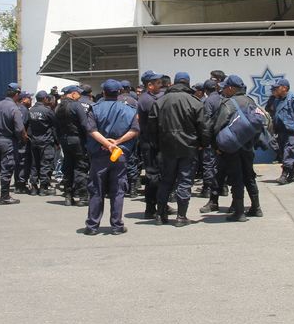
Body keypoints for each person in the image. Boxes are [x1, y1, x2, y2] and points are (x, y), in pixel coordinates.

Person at [149, 71, 211, 225]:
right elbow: (204, 127)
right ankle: (181, 216)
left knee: (166, 181)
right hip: (188, 147)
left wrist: (157, 145)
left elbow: (151, 128)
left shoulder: (160, 101)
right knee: (185, 181)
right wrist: (203, 144)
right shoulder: (195, 102)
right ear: (187, 83)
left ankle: (160, 215)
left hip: (167, 148)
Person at [83, 79, 139, 235]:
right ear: (119, 92)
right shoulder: (130, 110)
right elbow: (135, 130)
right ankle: (117, 226)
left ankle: (92, 226)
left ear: (103, 92)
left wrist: (106, 144)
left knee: (96, 190)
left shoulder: (95, 109)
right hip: (119, 154)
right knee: (118, 191)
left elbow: (91, 130)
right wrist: (116, 143)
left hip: (99, 155)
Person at [212, 75, 262, 221]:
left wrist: (217, 146)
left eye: (225, 88)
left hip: (232, 147)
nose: (223, 91)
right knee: (249, 176)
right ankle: (256, 207)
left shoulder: (228, 104)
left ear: (230, 88)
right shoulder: (251, 101)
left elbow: (217, 126)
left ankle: (239, 212)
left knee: (236, 178)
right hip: (248, 147)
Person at [0, 83, 26, 205]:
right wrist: (22, 138)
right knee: (7, 168)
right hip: (8, 141)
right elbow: (19, 128)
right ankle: (4, 196)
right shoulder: (14, 108)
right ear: (17, 94)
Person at [55, 84, 90, 207]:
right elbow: (85, 124)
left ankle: (68, 196)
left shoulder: (58, 107)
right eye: (78, 93)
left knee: (68, 167)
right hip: (77, 140)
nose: (79, 96)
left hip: (64, 140)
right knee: (81, 167)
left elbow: (56, 127)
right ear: (73, 93)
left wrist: (59, 141)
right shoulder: (76, 105)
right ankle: (83, 196)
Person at [137, 70, 164, 218]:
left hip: (156, 142)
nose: (161, 85)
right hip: (150, 143)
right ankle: (150, 208)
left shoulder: (154, 97)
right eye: (158, 83)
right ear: (150, 85)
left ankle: (161, 204)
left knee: (159, 175)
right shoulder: (146, 100)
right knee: (152, 176)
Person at [267, 78, 294, 184]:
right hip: (280, 131)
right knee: (285, 153)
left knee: (289, 152)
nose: (275, 89)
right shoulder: (277, 100)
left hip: (291, 131)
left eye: (277, 87)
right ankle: (292, 175)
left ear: (284, 88)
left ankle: (284, 175)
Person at [28, 90, 58, 195]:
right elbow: (55, 125)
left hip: (34, 140)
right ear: (45, 99)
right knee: (46, 163)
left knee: (34, 163)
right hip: (46, 141)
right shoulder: (47, 111)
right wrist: (57, 141)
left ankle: (33, 187)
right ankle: (43, 187)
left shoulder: (31, 110)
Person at [199, 79, 222, 209]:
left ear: (206, 91)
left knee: (209, 163)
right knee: (220, 164)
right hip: (222, 136)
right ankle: (222, 187)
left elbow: (206, 121)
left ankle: (208, 188)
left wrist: (204, 140)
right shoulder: (222, 98)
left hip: (212, 137)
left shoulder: (208, 101)